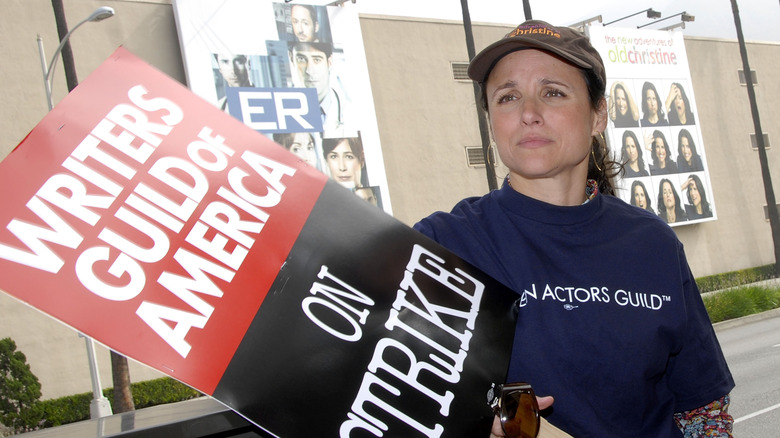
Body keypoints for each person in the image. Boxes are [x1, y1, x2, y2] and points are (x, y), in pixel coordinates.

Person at [412, 20, 733, 437]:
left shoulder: (653, 243)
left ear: (598, 114)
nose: (529, 113)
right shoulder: (444, 245)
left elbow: (703, 412)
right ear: (492, 121)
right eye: (508, 97)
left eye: (553, 93)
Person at [289, 41, 352, 137]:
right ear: (291, 59)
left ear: (329, 62)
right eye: (301, 59)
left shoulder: (350, 112)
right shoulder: (284, 112)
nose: (309, 71)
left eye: (317, 60)